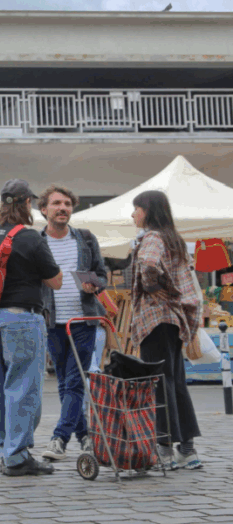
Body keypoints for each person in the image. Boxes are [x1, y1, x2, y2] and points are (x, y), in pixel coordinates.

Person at [0, 179, 62, 477]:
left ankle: (5, 449)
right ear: (25, 203)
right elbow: (56, 280)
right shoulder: (31, 237)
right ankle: (17, 455)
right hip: (21, 318)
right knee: (23, 385)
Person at [130, 190, 202, 470]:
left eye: (136, 209)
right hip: (173, 320)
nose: (133, 215)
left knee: (157, 384)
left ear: (146, 211)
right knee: (175, 382)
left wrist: (152, 286)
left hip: (155, 319)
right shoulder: (173, 238)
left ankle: (164, 449)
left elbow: (148, 263)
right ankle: (188, 450)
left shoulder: (152, 237)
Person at [36, 185, 109, 462]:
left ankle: (59, 438)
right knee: (65, 383)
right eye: (56, 203)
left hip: (83, 319)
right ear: (44, 209)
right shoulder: (37, 242)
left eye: (67, 203)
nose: (62, 208)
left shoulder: (86, 239)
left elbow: (102, 275)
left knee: (75, 380)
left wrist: (95, 285)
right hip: (52, 322)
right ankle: (86, 437)